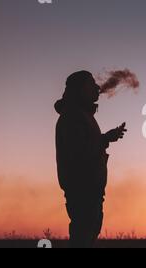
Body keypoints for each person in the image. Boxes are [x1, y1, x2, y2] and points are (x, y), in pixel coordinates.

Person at [54, 71, 126, 248]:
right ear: (79, 90)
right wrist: (105, 139)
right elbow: (79, 152)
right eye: (91, 84)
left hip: (90, 189)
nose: (97, 87)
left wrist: (106, 138)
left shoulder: (81, 115)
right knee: (82, 238)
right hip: (82, 188)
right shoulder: (73, 116)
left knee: (87, 233)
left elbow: (86, 145)